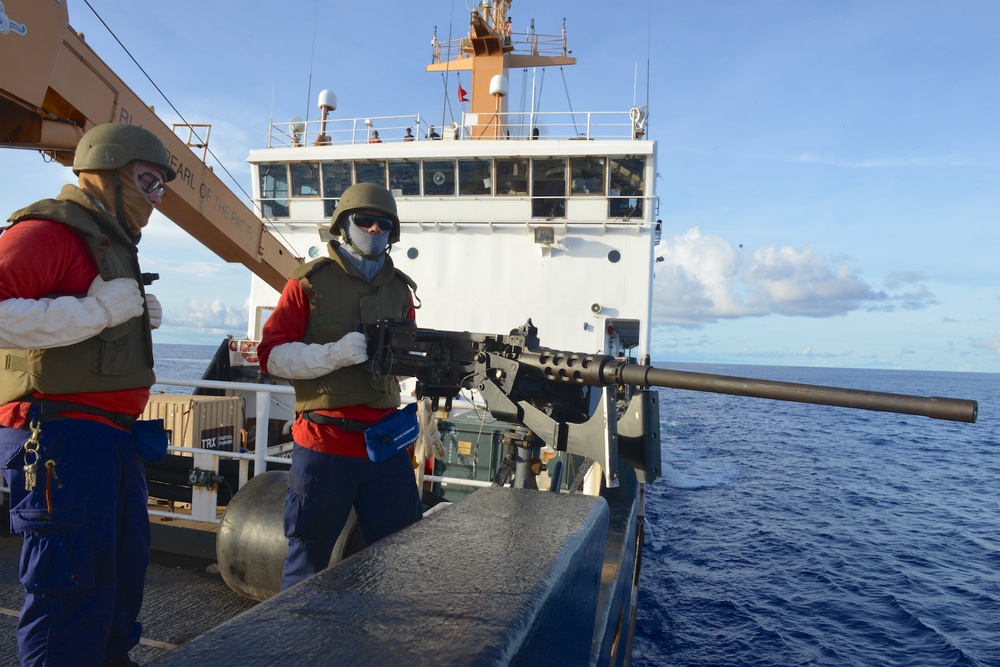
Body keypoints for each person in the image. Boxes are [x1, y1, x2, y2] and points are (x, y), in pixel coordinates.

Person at [0, 122, 175, 666]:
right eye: (148, 182)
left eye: (160, 188)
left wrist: (126, 315)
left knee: (117, 582)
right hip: (60, 439)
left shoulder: (110, 244)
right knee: (68, 592)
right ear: (109, 173)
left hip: (109, 443)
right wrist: (99, 310)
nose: (154, 199)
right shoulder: (51, 231)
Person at [257, 183, 422, 591]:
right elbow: (271, 356)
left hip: (385, 442)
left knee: (404, 548)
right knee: (307, 554)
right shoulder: (308, 283)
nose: (374, 228)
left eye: (383, 224)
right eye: (363, 220)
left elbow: (407, 361)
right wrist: (333, 354)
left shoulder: (401, 290)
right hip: (324, 441)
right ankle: (296, 644)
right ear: (343, 227)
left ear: (393, 233)